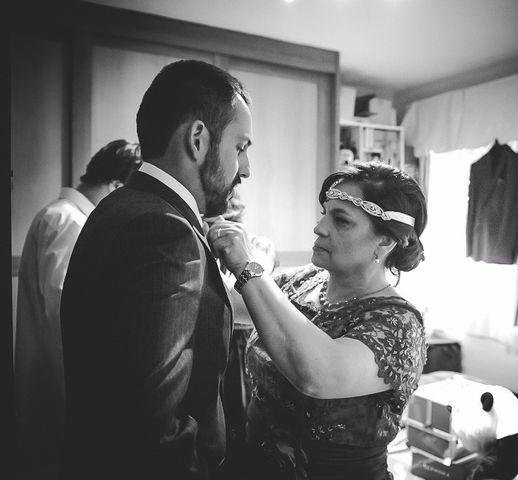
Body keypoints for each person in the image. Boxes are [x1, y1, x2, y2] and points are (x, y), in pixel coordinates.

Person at [59, 60, 252, 480]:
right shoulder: (165, 230)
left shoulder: (118, 206)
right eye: (240, 148)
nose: (246, 170)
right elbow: (151, 425)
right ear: (198, 140)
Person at [208, 160, 428, 480]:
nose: (320, 227)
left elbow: (317, 375)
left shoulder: (398, 325)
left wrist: (246, 264)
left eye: (341, 220)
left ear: (385, 240)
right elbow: (234, 304)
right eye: (325, 213)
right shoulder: (302, 281)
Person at [14, 139, 141, 480]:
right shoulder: (67, 222)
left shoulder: (61, 216)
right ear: (116, 186)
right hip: (65, 391)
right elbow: (68, 316)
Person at [216, 193, 278, 461]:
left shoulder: (260, 246)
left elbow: (248, 303)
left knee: (240, 409)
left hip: (242, 340)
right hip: (216, 339)